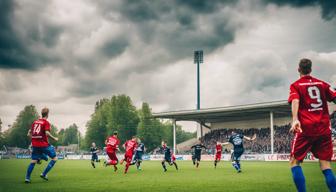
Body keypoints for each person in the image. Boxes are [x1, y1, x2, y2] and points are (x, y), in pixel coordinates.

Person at [288, 58, 336, 192]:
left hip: (306, 128)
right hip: (324, 128)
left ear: (299, 69)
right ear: (311, 69)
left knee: (294, 161)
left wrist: (295, 118)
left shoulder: (295, 85)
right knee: (326, 165)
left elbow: (295, 100)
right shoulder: (322, 84)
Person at [25, 108, 58, 183]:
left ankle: (27, 178)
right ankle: (44, 174)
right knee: (55, 158)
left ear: (41, 114)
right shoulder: (46, 122)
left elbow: (28, 133)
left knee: (33, 161)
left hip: (35, 145)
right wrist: (54, 138)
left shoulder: (35, 122)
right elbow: (47, 133)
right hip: (43, 144)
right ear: (47, 114)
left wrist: (33, 139)